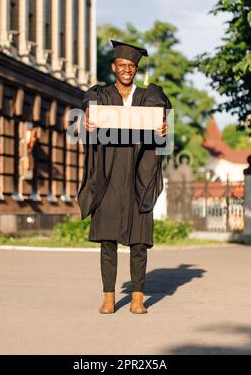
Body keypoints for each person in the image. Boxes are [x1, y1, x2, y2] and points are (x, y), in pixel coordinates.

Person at [77, 40, 171, 314]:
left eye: (132, 66)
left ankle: (137, 297)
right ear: (113, 67)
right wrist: (86, 117)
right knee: (107, 240)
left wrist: (164, 128)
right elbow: (88, 103)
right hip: (108, 176)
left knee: (139, 240)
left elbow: (163, 115)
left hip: (138, 177)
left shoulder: (149, 96)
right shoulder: (102, 96)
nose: (127, 70)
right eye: (122, 65)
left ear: (136, 69)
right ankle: (109, 296)